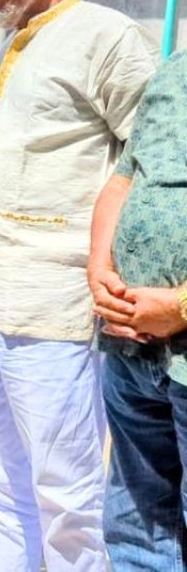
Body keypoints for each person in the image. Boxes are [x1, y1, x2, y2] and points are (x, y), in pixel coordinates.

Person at [0, 0, 157, 571]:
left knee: (64, 483)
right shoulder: (12, 44)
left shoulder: (106, 37)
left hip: (52, 302)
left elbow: (151, 159)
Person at [90, 51, 187, 569]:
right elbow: (124, 179)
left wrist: (180, 305)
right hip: (131, 350)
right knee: (135, 523)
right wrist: (99, 266)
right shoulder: (176, 68)